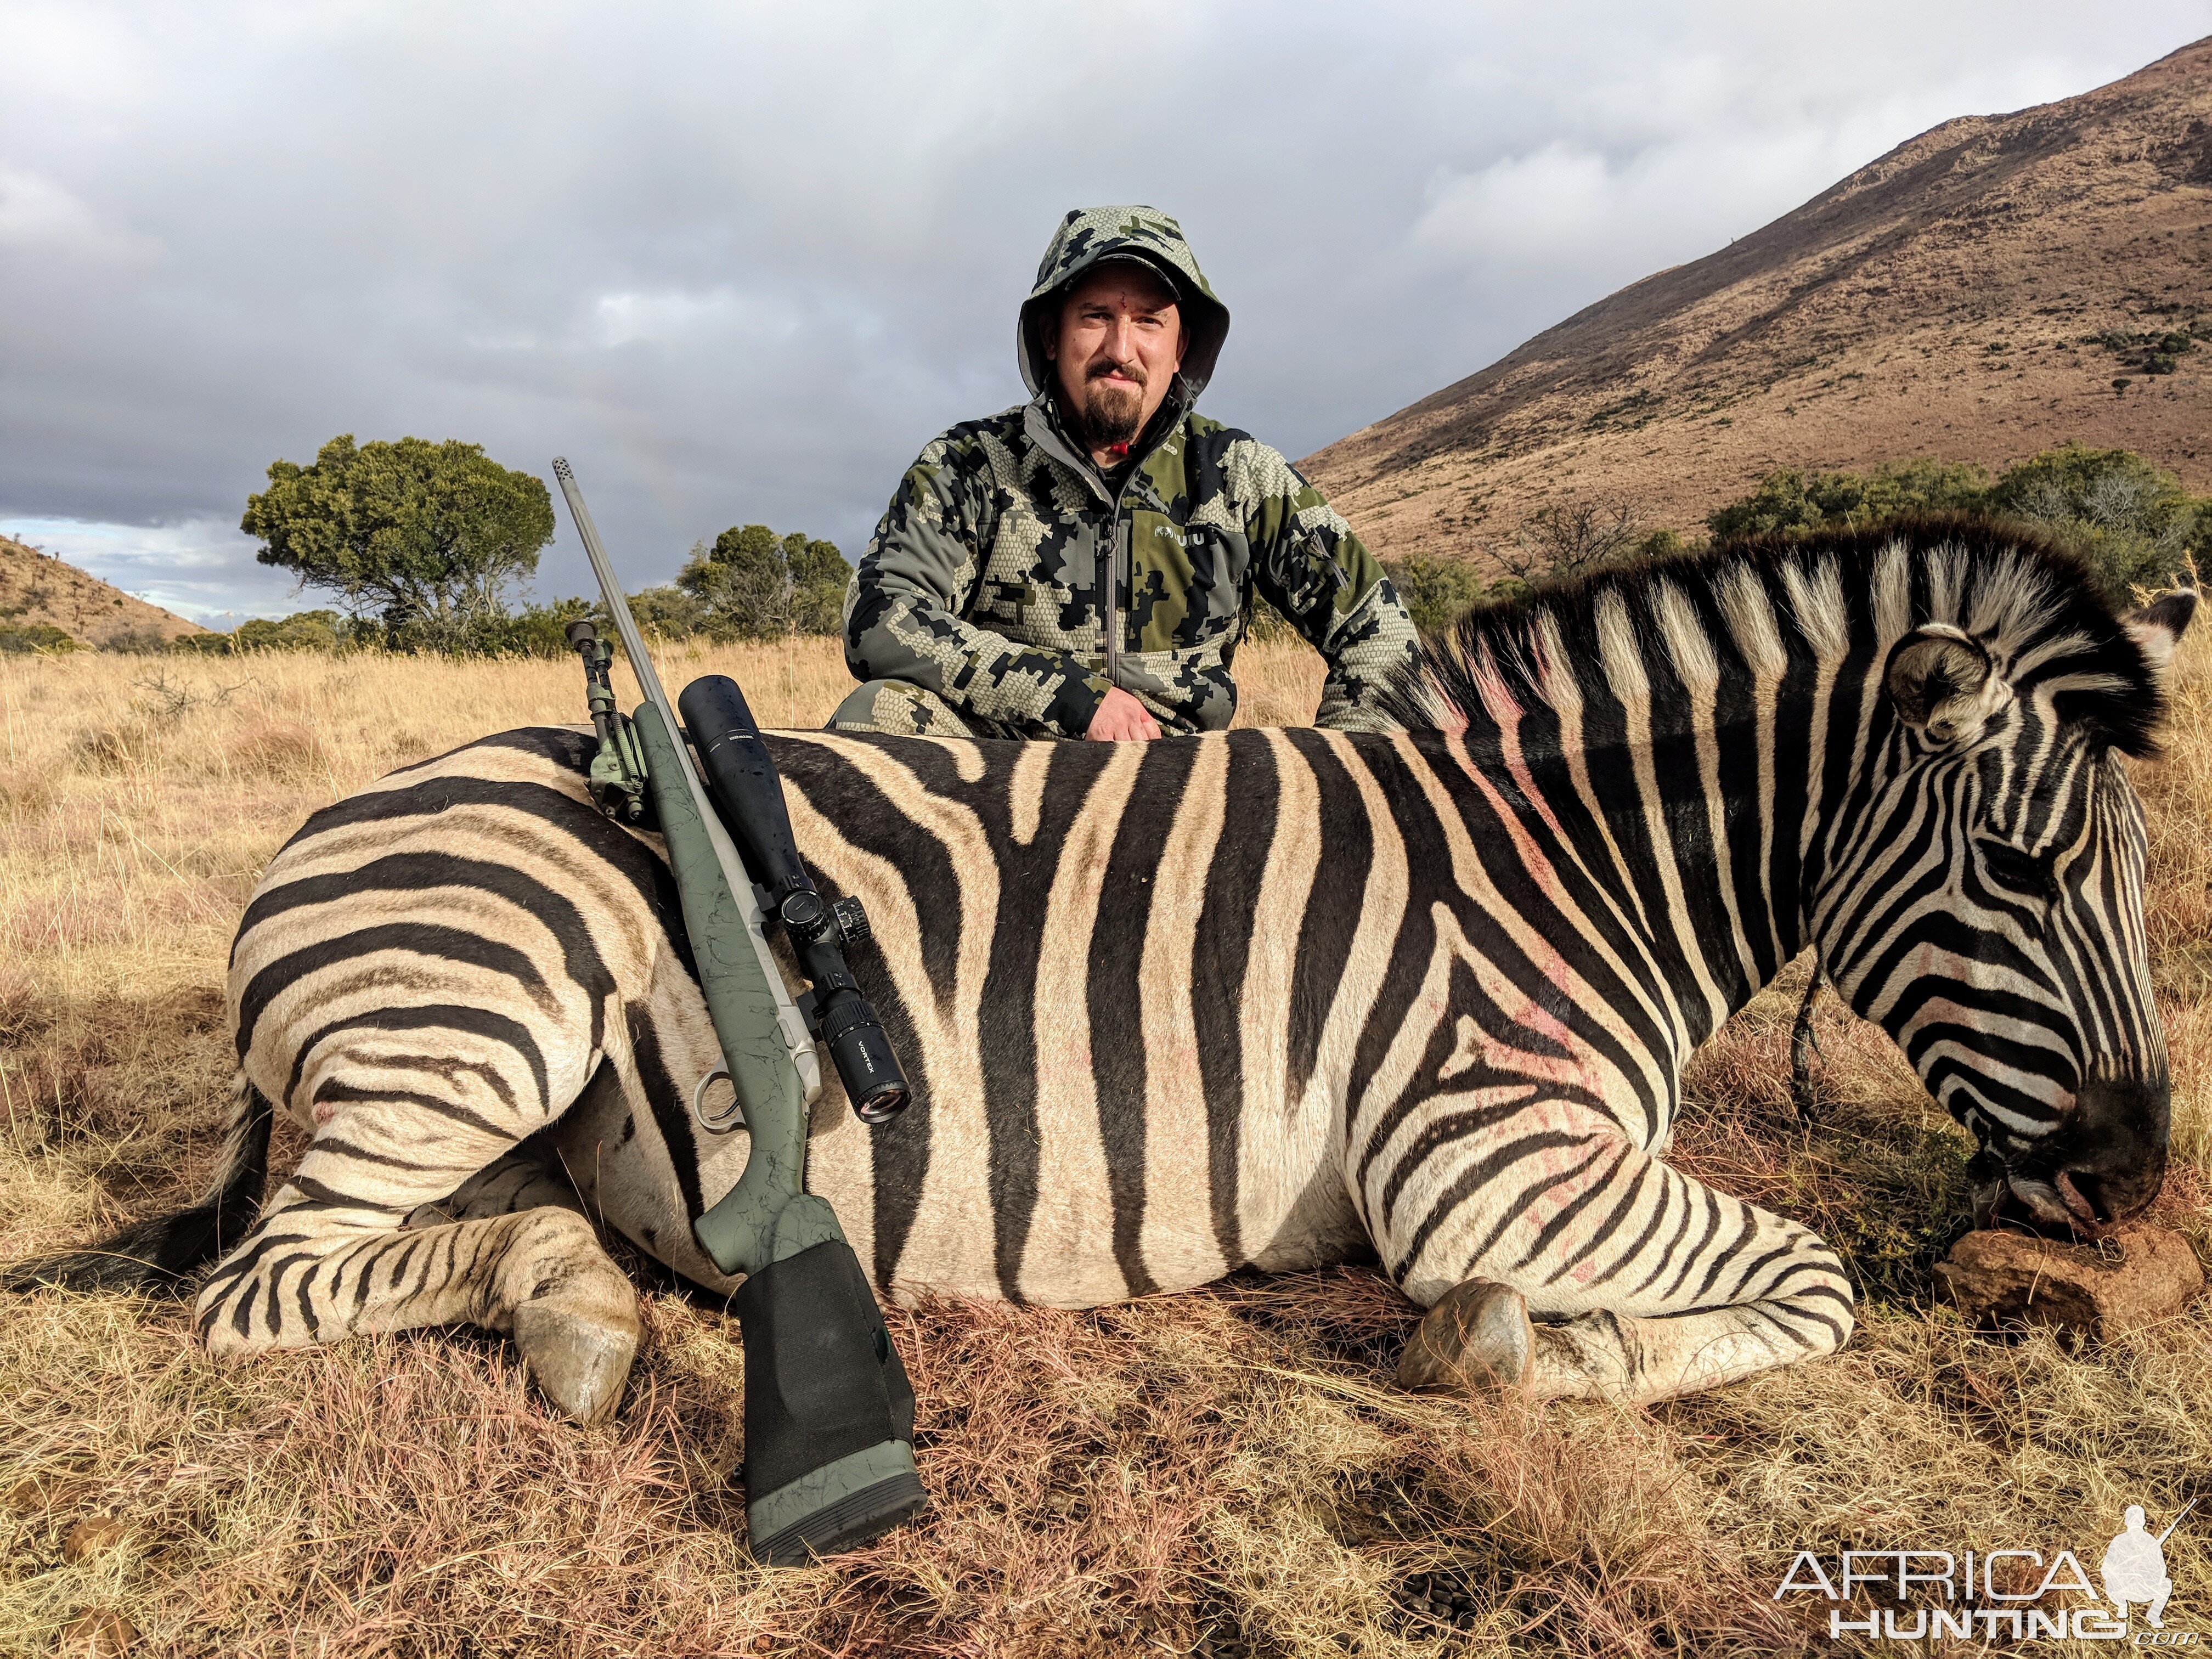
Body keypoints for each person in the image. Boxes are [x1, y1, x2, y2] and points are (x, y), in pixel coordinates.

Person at [832, 205, 1418, 741]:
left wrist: (1323, 785)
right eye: (1095, 317)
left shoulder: (1240, 477)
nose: (1121, 348)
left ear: (1181, 345)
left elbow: (1383, 636)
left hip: (1184, 793)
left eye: (1148, 322)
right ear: (1051, 335)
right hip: (1002, 778)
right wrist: (1070, 696)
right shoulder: (971, 464)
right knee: (878, 711)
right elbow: (881, 615)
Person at [2102, 1505, 2174, 1628]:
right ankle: (2154, 1614)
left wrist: (2117, 1575)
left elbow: (2105, 1569)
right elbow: (2163, 1570)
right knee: (2167, 1584)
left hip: (2123, 1590)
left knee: (2109, 1582)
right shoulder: (2151, 1540)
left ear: (2126, 1521)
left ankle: (2122, 1606)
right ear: (2143, 1521)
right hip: (2146, 1592)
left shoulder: (2119, 1540)